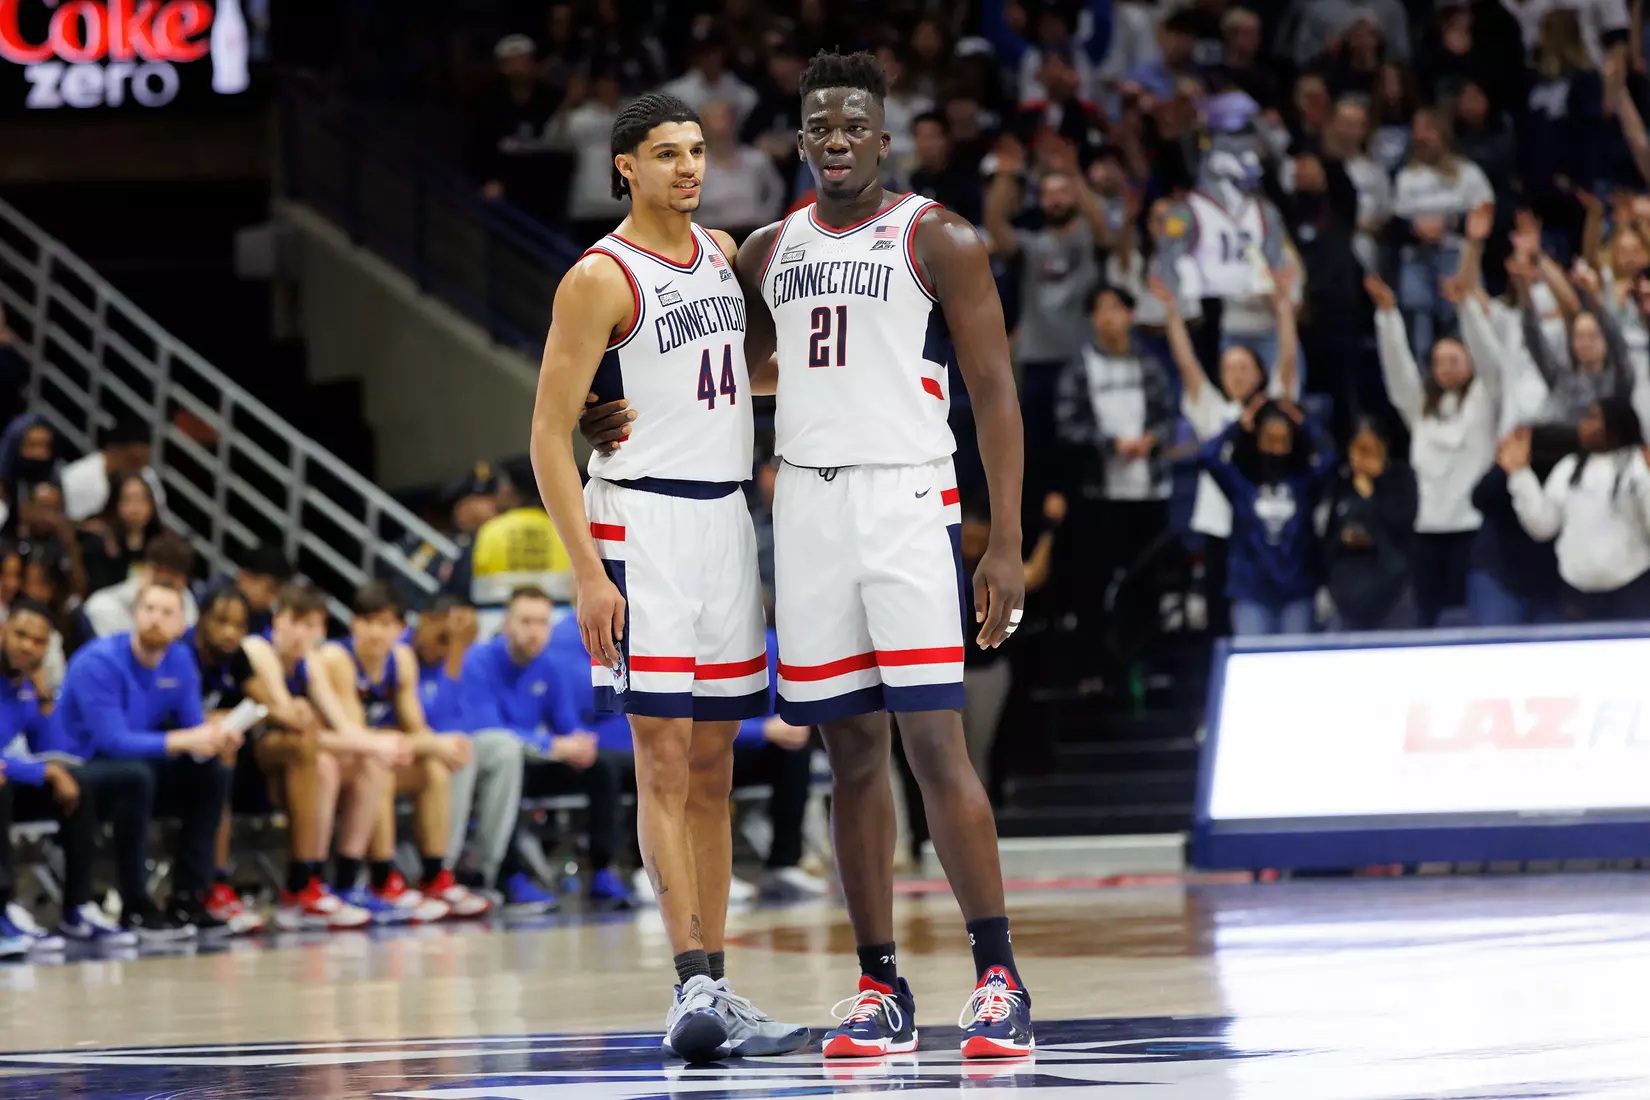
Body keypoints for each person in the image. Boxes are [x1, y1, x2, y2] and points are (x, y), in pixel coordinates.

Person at [575, 52, 1033, 1060]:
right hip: (808, 507)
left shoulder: (938, 236)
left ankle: (999, 973)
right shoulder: (764, 250)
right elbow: (726, 371)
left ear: (883, 137)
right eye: (818, 125)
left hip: (912, 496)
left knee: (932, 744)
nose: (836, 139)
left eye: (854, 125)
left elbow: (994, 388)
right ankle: (880, 984)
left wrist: (1003, 540)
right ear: (800, 138)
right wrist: (616, 410)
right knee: (849, 754)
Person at [527, 89, 805, 1064]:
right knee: (662, 757)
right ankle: (687, 980)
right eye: (667, 153)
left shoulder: (724, 258)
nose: (690, 166)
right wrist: (587, 571)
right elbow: (546, 434)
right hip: (638, 518)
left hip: (727, 517)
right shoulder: (598, 277)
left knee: (717, 770)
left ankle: (717, 985)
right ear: (625, 168)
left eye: (696, 150)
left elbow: (735, 373)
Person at [51, 583, 241, 939]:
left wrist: (217, 738)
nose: (156, 619)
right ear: (135, 615)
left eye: (167, 612)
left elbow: (192, 728)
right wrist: (190, 739)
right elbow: (112, 742)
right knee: (137, 775)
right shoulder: (100, 660)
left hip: (137, 768)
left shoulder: (180, 659)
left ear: (183, 624)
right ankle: (135, 902)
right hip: (81, 766)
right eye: (149, 609)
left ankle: (189, 895)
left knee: (212, 771)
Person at [310, 582, 490, 922]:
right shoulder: (338, 659)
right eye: (368, 622)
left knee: (434, 768)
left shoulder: (401, 659)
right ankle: (382, 878)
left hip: (374, 756)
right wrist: (427, 742)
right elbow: (359, 737)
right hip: (338, 760)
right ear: (354, 624)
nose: (376, 632)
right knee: (379, 763)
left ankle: (435, 875)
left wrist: (432, 744)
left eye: (385, 624)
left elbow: (415, 727)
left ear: (400, 629)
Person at [456, 586, 632, 911]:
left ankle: (604, 871)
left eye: (541, 622)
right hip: (491, 762)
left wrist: (579, 745)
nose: (534, 631)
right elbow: (490, 732)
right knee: (510, 766)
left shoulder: (549, 667)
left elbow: (565, 726)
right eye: (525, 621)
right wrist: (554, 745)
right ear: (506, 624)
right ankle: (510, 877)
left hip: (536, 759)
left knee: (602, 765)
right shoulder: (478, 661)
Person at [242, 583, 400, 929]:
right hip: (250, 757)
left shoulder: (310, 661)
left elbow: (341, 725)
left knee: (365, 763)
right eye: (297, 622)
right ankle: (303, 879)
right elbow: (289, 717)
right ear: (277, 620)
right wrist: (374, 743)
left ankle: (341, 881)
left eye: (313, 625)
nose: (304, 633)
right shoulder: (258, 648)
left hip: (296, 756)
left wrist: (376, 745)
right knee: (321, 762)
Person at [1153, 268, 1299, 637]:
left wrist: (1282, 307)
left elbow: (1289, 360)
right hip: (1219, 522)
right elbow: (1186, 364)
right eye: (1228, 367)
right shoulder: (1212, 410)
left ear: (1258, 372)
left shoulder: (1274, 406)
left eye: (1243, 366)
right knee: (1219, 602)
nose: (1235, 373)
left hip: (1266, 520)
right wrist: (1172, 311)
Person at [0, 599, 138, 950]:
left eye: (38, 641)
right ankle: (3, 908)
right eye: (20, 635)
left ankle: (77, 907)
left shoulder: (28, 687)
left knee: (79, 783)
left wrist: (45, 700)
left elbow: (57, 752)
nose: (28, 646)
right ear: (2, 632)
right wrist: (45, 771)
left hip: (10, 780)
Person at [1368, 268, 1499, 627]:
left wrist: (1467, 308)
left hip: (1471, 530)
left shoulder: (1483, 402)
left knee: (1470, 622)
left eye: (1455, 360)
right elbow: (1397, 373)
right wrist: (1388, 316)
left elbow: (1491, 360)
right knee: (1427, 621)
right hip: (1427, 532)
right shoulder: (1420, 409)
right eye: (1439, 362)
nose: (1446, 368)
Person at [411, 594, 550, 913]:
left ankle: (480, 872)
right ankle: (439, 871)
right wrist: (457, 653)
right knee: (458, 750)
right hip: (409, 749)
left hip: (441, 745)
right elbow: (437, 721)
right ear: (424, 623)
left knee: (503, 749)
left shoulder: (461, 660)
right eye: (444, 638)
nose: (447, 646)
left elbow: (468, 721)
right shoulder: (407, 653)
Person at [1199, 397, 1338, 635]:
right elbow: (1208, 455)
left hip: (1297, 590)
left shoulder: (1305, 484)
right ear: (1257, 441)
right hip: (1252, 591)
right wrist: (1239, 424)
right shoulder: (1241, 484)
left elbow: (1330, 456)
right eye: (1269, 439)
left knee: (1294, 664)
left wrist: (1302, 420)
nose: (1276, 447)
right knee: (1252, 660)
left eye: (1283, 440)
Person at [1503, 399, 1650, 620]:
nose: (1584, 424)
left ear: (1617, 423)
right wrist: (1520, 474)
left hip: (1630, 587)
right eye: (1584, 418)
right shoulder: (1569, 467)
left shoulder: (1638, 466)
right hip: (1576, 591)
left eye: (1593, 418)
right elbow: (1542, 527)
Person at [191, 588, 270, 936]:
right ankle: (212, 882)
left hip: (224, 750)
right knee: (222, 750)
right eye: (222, 622)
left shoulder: (236, 657)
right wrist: (221, 719)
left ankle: (307, 879)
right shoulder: (184, 654)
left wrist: (292, 708)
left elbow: (264, 703)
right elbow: (182, 716)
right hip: (178, 750)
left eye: (239, 625)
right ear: (202, 619)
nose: (230, 632)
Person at [1322, 418, 1420, 630]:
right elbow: (1328, 537)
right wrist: (1343, 539)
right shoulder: (1341, 482)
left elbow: (1402, 524)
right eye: (1359, 447)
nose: (1364, 455)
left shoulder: (1402, 477)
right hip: (1347, 594)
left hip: (1393, 590)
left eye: (1371, 447)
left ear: (1384, 445)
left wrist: (1371, 494)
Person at [77, 532, 200, 644]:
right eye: (162, 582)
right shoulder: (103, 607)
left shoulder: (185, 599)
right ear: (148, 570)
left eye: (172, 584)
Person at [59, 419, 163, 523]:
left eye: (144, 461)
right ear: (114, 450)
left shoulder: (147, 475)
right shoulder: (77, 477)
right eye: (133, 460)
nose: (140, 467)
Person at [78, 471, 163, 593]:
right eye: (128, 500)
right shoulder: (99, 540)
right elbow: (98, 591)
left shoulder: (161, 542)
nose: (135, 509)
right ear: (115, 503)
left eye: (141, 500)